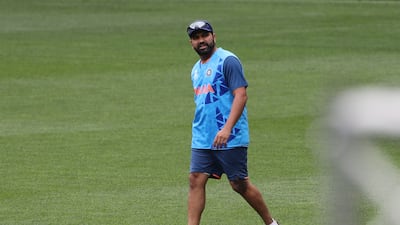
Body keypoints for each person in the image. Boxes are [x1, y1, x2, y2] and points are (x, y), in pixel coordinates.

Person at [186, 20, 279, 225]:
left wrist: (227, 128)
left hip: (230, 135)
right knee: (195, 179)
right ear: (191, 43)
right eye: (196, 38)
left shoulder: (228, 61)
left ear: (213, 36)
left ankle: (271, 223)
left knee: (238, 184)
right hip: (203, 135)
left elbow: (241, 96)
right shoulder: (195, 69)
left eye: (204, 36)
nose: (201, 41)